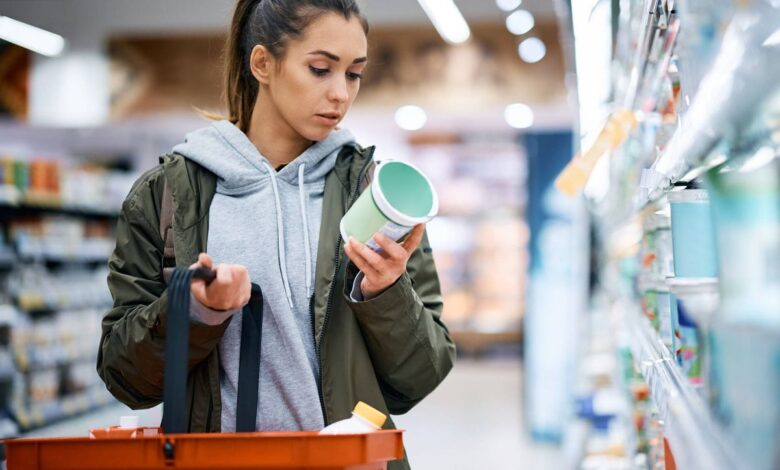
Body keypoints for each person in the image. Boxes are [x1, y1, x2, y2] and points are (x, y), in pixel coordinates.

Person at [96, 1, 455, 468]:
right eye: (321, 69)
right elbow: (126, 377)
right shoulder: (166, 196)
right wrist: (197, 310)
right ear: (263, 63)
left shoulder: (374, 195)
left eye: (353, 74)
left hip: (347, 463)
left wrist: (385, 293)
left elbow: (421, 377)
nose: (340, 94)